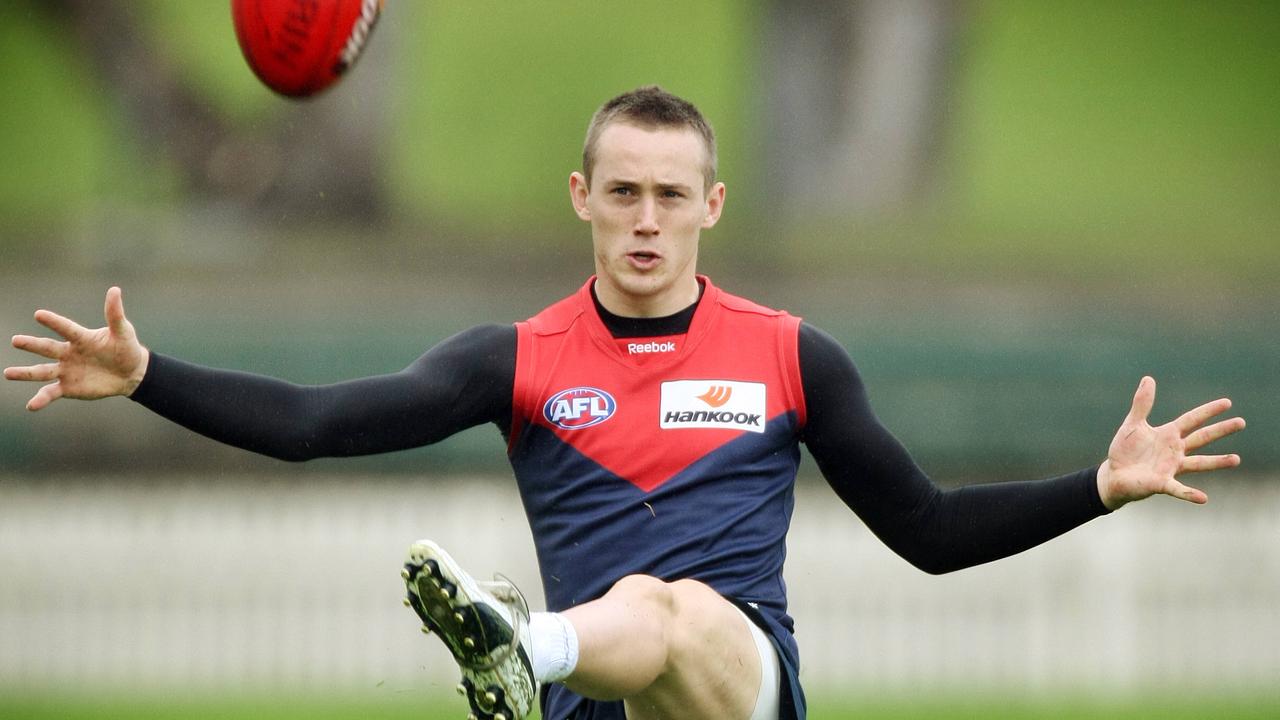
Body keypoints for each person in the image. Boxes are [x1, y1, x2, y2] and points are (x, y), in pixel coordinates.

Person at [4, 86, 1246, 720]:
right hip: (593, 702)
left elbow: (925, 533)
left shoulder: (792, 354)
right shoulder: (515, 357)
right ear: (581, 197)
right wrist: (148, 376)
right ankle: (536, 659)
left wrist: (1097, 486)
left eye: (669, 194)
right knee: (632, 618)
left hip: (733, 679)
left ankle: (520, 644)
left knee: (671, 604)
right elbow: (318, 424)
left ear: (710, 205)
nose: (644, 219)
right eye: (622, 193)